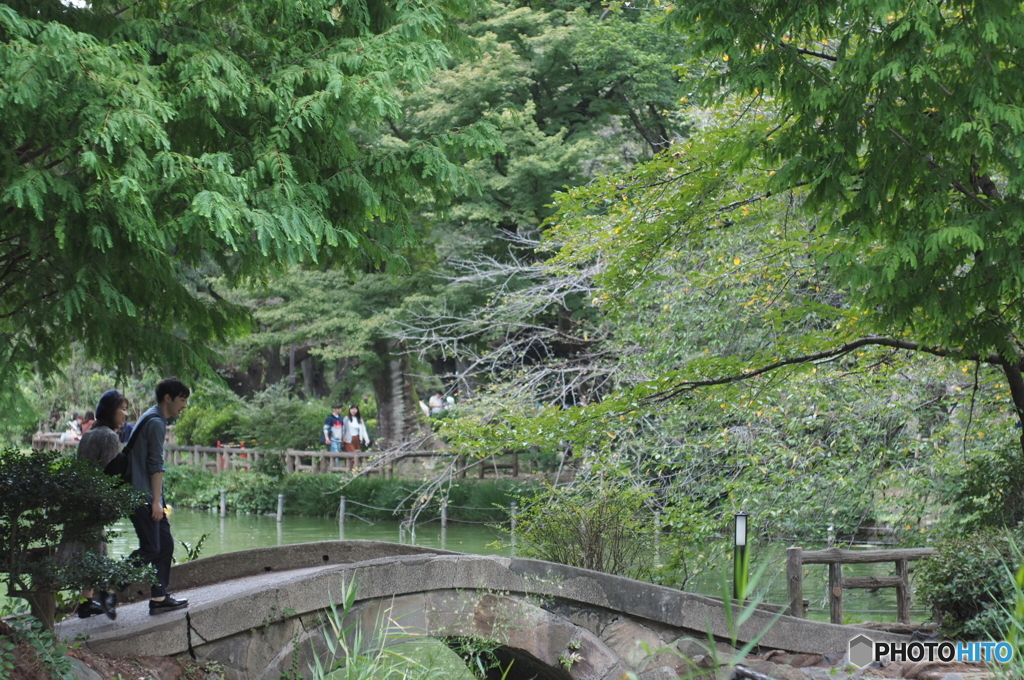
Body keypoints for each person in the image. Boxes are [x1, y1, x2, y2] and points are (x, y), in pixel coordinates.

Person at [125, 378, 191, 615]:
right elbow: (155, 464)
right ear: (168, 398)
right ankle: (111, 584)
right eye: (182, 400)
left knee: (164, 544)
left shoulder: (152, 417)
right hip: (141, 493)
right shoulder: (155, 422)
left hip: (146, 493)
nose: (184, 406)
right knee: (152, 548)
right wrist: (155, 501)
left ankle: (160, 597)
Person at [68, 390, 130, 619]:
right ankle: (105, 594)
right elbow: (108, 474)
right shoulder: (109, 437)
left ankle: (87, 601)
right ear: (111, 411)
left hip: (80, 500)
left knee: (95, 548)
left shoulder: (89, 434)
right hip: (94, 502)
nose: (125, 414)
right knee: (96, 550)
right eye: (122, 409)